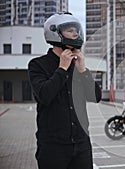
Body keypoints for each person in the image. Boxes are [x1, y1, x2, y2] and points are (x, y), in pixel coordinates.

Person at [28, 12, 101, 169]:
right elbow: (44, 96)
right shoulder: (37, 65)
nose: (75, 33)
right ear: (55, 32)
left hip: (82, 144)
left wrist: (83, 70)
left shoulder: (78, 67)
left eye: (76, 30)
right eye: (70, 30)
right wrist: (62, 68)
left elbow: (95, 97)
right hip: (53, 147)